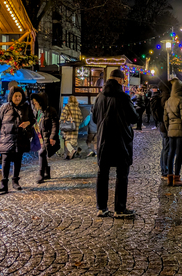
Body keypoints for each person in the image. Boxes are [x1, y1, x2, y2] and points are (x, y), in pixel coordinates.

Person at [92, 69, 139, 218]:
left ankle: (102, 207)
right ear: (120, 80)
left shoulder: (99, 97)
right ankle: (119, 208)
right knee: (122, 174)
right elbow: (134, 118)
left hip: (103, 141)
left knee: (103, 173)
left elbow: (94, 119)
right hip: (121, 140)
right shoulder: (123, 97)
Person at [0, 86, 35, 193]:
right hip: (7, 138)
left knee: (18, 160)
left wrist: (28, 123)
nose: (18, 98)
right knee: (5, 160)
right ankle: (4, 183)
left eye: (20, 96)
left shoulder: (26, 107)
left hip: (21, 138)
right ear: (11, 96)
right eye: (16, 96)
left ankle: (15, 181)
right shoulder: (4, 107)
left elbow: (33, 119)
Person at [30, 92, 60, 184]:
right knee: (43, 153)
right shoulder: (37, 111)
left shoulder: (51, 110)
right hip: (39, 137)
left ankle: (41, 174)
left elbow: (55, 125)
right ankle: (47, 172)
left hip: (47, 137)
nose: (34, 103)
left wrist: (52, 137)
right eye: (33, 102)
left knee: (41, 153)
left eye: (36, 102)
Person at [151, 80, 171, 180]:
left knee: (166, 148)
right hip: (166, 126)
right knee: (167, 148)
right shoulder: (166, 97)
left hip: (163, 126)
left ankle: (165, 170)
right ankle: (165, 172)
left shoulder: (161, 95)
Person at [60, 95, 83, 160]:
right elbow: (81, 119)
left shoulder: (66, 107)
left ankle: (72, 151)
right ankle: (69, 156)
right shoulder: (78, 109)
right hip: (75, 128)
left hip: (68, 128)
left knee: (67, 142)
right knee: (73, 142)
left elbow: (62, 118)